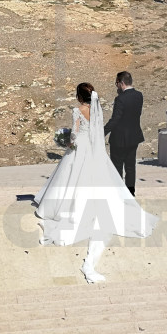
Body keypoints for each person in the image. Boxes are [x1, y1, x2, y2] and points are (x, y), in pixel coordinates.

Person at [34, 83, 157, 283]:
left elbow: (73, 134)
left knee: (71, 176)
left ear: (78, 96)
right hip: (93, 149)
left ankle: (66, 208)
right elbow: (97, 132)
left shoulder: (78, 110)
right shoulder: (97, 110)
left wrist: (66, 141)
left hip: (79, 147)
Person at [103, 71, 144, 196]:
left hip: (119, 139)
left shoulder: (120, 99)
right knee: (131, 166)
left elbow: (115, 119)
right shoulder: (139, 95)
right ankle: (130, 192)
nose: (116, 86)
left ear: (121, 83)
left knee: (117, 167)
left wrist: (102, 132)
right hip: (134, 136)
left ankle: (119, 193)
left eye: (117, 84)